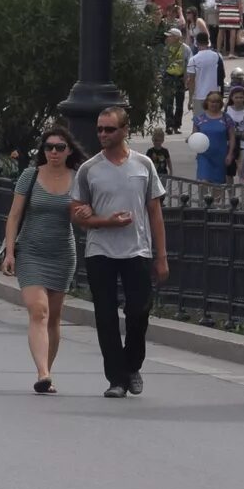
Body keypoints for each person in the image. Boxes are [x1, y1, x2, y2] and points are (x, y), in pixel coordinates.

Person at [68, 105, 169, 398]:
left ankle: (132, 363)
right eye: (99, 129)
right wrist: (103, 221)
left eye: (109, 129)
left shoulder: (143, 165)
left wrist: (161, 256)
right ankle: (116, 379)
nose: (102, 134)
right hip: (100, 251)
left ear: (125, 130)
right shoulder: (89, 169)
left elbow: (155, 212)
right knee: (106, 316)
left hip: (137, 249)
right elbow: (76, 213)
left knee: (139, 310)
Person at [0, 126, 80, 393]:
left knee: (54, 318)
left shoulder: (78, 178)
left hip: (62, 254)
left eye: (59, 147)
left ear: (69, 150)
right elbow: (13, 215)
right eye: (49, 147)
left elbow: (86, 213)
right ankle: (42, 373)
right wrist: (10, 252)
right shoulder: (30, 175)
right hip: (31, 252)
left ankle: (48, 370)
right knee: (39, 310)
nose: (54, 152)